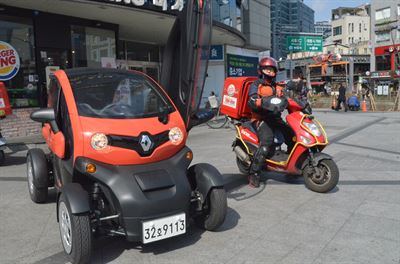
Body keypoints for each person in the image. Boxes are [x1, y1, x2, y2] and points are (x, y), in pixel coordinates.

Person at [247, 57, 294, 188]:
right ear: (261, 70)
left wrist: (301, 105)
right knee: (266, 142)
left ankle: (292, 165)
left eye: (272, 69)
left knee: (292, 135)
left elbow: (287, 100)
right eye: (267, 69)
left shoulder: (277, 86)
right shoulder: (256, 85)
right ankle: (254, 173)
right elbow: (251, 100)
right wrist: (261, 102)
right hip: (260, 119)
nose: (270, 71)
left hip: (275, 119)